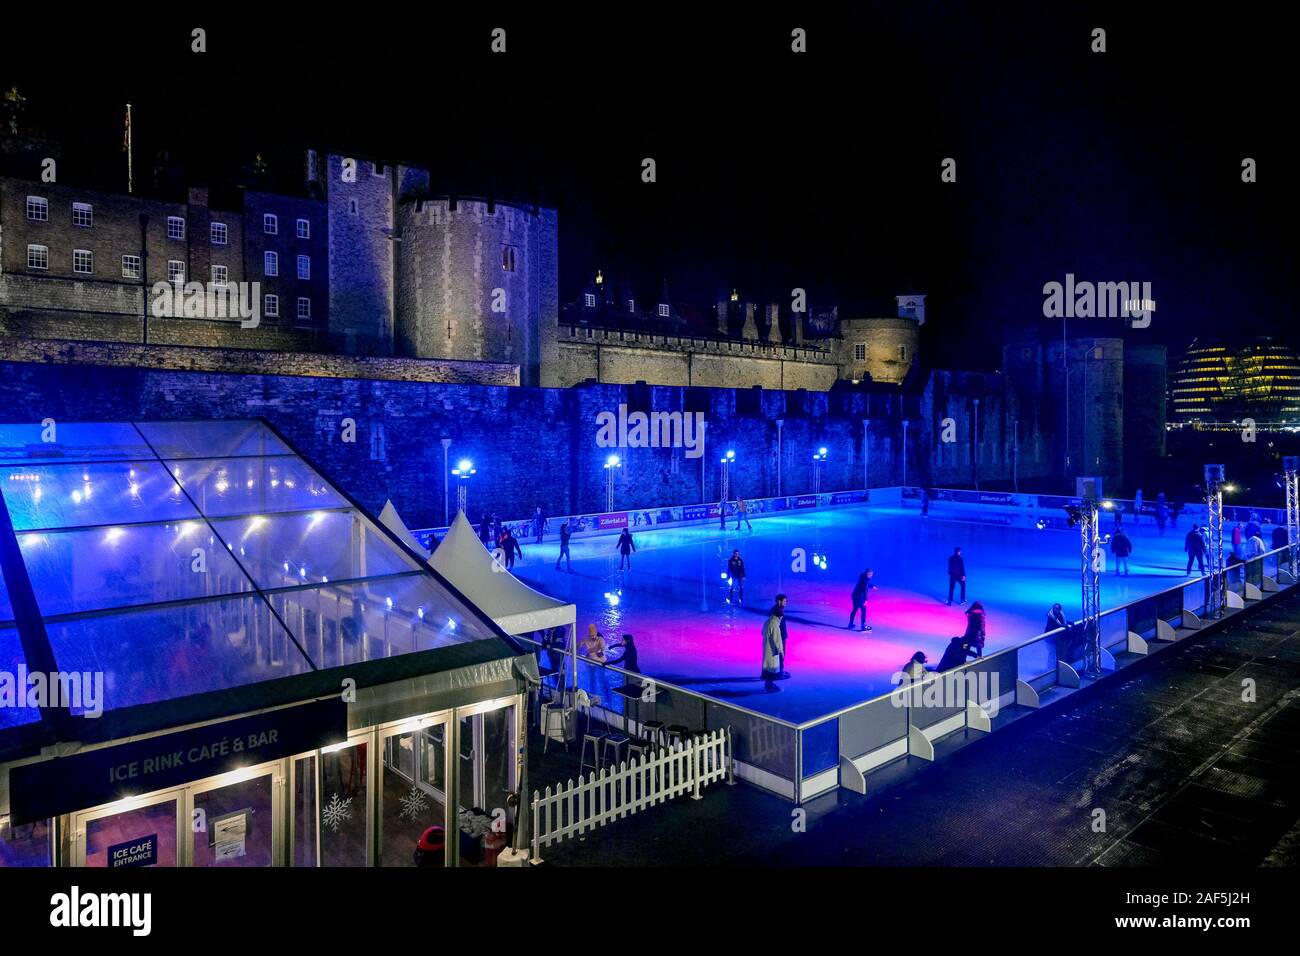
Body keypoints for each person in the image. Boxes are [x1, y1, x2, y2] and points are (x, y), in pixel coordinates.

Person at [761, 604, 785, 692]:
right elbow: (777, 640)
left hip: (766, 647)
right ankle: (769, 685)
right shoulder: (775, 625)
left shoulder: (767, 622)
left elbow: (762, 632)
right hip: (772, 650)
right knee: (771, 666)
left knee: (768, 666)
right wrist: (781, 651)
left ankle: (768, 683)